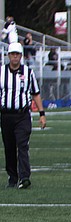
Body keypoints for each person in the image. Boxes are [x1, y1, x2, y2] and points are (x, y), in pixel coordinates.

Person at [1, 42, 46, 189]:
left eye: (17, 54)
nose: (15, 56)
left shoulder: (28, 72)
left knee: (22, 145)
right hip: (6, 115)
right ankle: (13, 177)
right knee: (9, 147)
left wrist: (42, 114)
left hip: (22, 115)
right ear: (8, 56)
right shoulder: (1, 72)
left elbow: (36, 94)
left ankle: (25, 177)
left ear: (21, 56)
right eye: (12, 54)